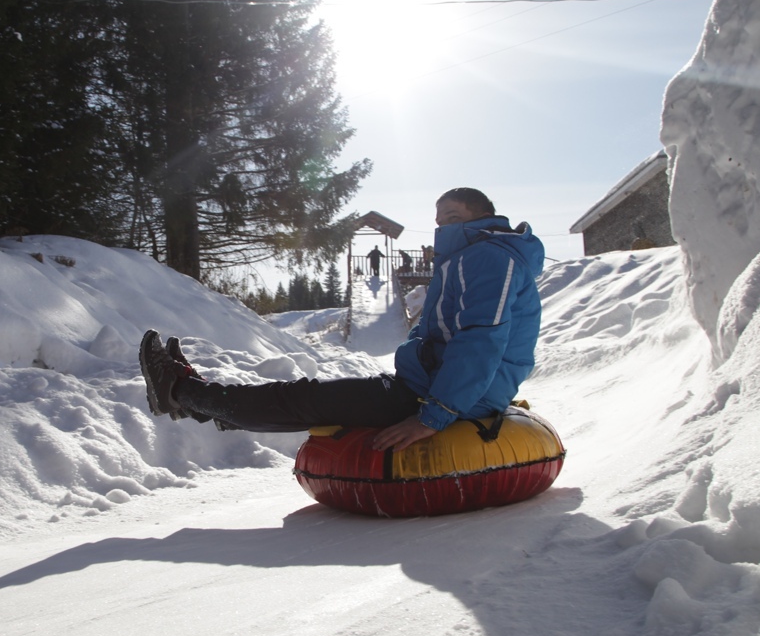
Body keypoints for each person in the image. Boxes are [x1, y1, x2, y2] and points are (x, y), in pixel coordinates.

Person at [140, 187, 544, 452]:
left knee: (300, 398)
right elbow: (435, 326)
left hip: (443, 397)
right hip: (428, 384)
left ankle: (179, 392)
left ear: (485, 216)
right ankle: (199, 401)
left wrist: (434, 415)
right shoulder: (464, 258)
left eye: (454, 217)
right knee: (306, 400)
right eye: (439, 221)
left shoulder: (489, 257)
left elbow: (481, 338)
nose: (444, 227)